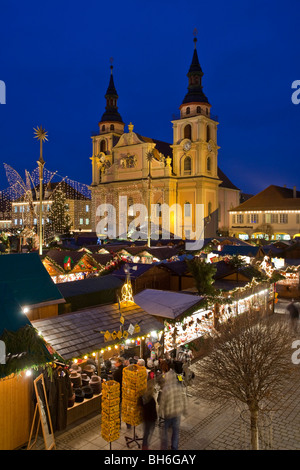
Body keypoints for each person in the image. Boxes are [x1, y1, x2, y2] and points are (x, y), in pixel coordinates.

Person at [159, 368, 187, 450]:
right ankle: (174, 447)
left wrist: (160, 412)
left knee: (164, 432)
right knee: (175, 432)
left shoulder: (165, 389)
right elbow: (184, 398)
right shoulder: (179, 387)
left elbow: (162, 403)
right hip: (177, 413)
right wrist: (184, 410)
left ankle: (164, 447)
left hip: (168, 414)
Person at [139, 380, 157, 450]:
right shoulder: (152, 400)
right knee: (147, 433)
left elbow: (140, 405)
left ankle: (144, 445)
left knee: (146, 432)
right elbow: (153, 411)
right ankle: (145, 446)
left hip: (145, 417)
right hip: (151, 419)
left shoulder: (142, 397)